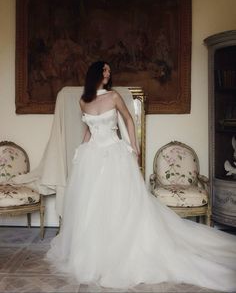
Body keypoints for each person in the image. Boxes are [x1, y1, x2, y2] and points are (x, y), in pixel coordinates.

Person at [47, 61, 236, 292]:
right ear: (96, 73)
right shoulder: (83, 101)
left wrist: (134, 148)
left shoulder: (114, 96)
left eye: (109, 69)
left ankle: (122, 251)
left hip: (115, 154)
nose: (109, 72)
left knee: (120, 205)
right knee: (92, 206)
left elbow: (128, 119)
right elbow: (88, 128)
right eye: (105, 69)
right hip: (92, 156)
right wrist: (80, 151)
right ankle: (94, 254)